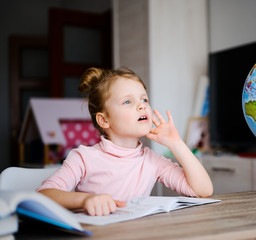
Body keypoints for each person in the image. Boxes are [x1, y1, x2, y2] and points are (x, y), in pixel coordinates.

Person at [38, 67, 213, 216]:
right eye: (128, 101)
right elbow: (43, 195)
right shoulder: (83, 157)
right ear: (104, 120)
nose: (142, 105)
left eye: (144, 99)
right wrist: (86, 200)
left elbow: (203, 190)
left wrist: (176, 143)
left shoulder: (152, 160)